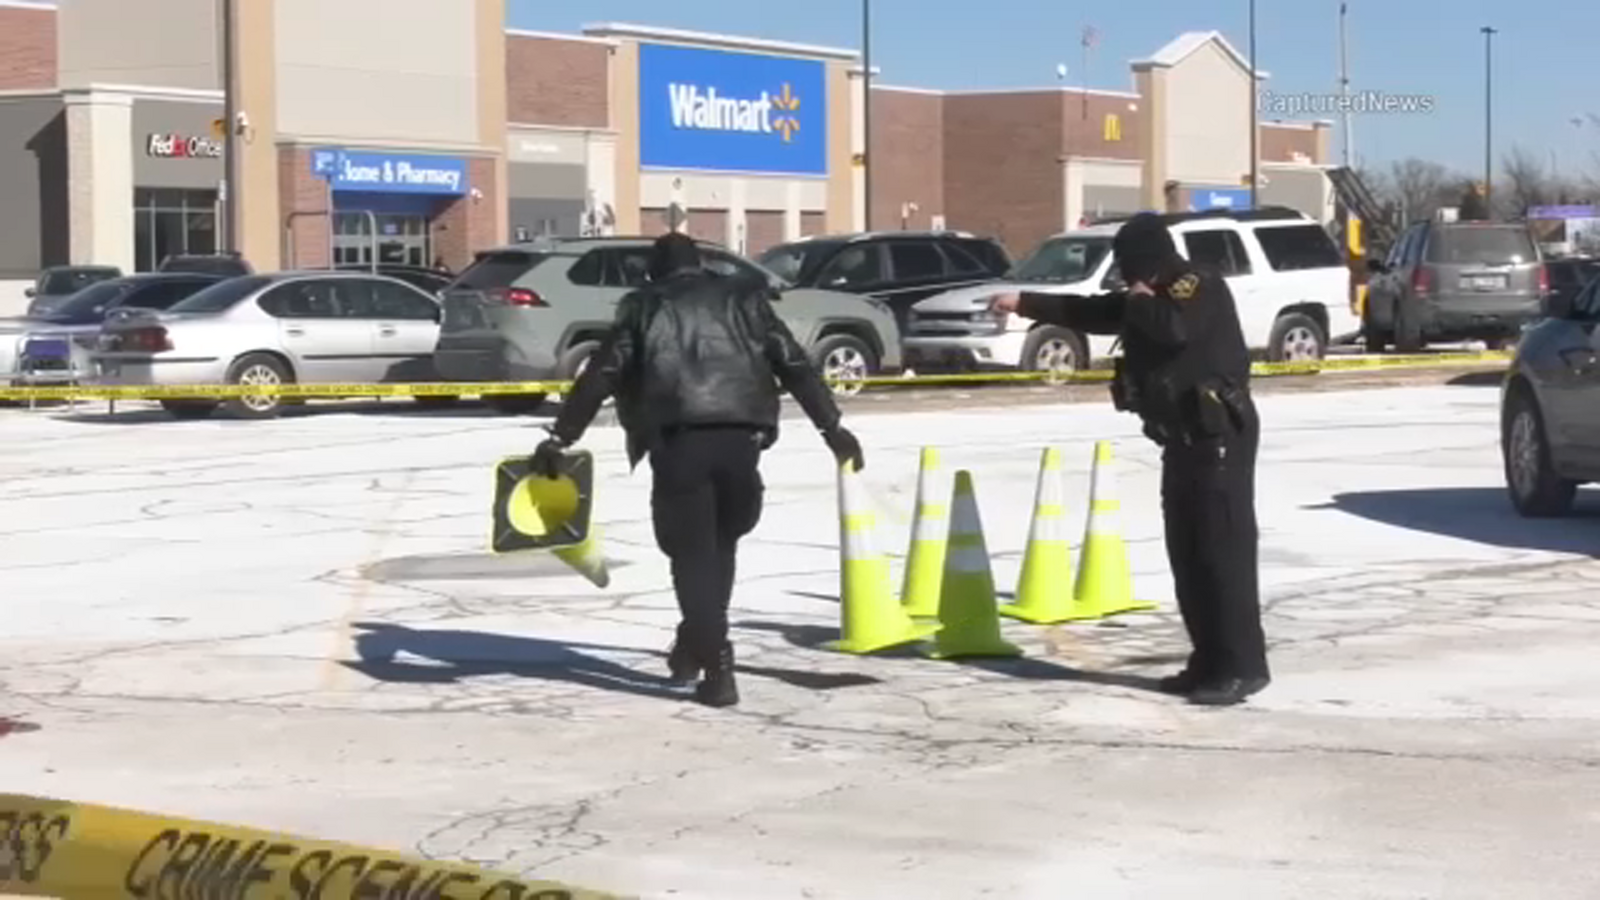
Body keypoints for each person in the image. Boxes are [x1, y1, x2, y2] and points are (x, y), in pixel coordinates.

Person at [530, 232, 865, 708]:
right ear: (704, 266)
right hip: (741, 440)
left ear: (653, 272)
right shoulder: (745, 299)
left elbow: (602, 374)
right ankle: (693, 645)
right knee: (719, 547)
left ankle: (718, 664)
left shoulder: (644, 307)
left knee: (691, 558)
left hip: (679, 443)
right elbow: (793, 362)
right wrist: (833, 429)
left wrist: (561, 437)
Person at [990, 213, 1270, 706]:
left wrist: (1139, 297)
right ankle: (1206, 659)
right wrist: (1024, 302)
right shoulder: (1147, 296)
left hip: (1218, 439)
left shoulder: (1194, 285)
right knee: (1187, 554)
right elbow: (1092, 311)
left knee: (1222, 555)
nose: (1123, 276)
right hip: (1181, 440)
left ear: (1147, 260)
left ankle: (1242, 666)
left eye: (1127, 265)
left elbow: (1174, 331)